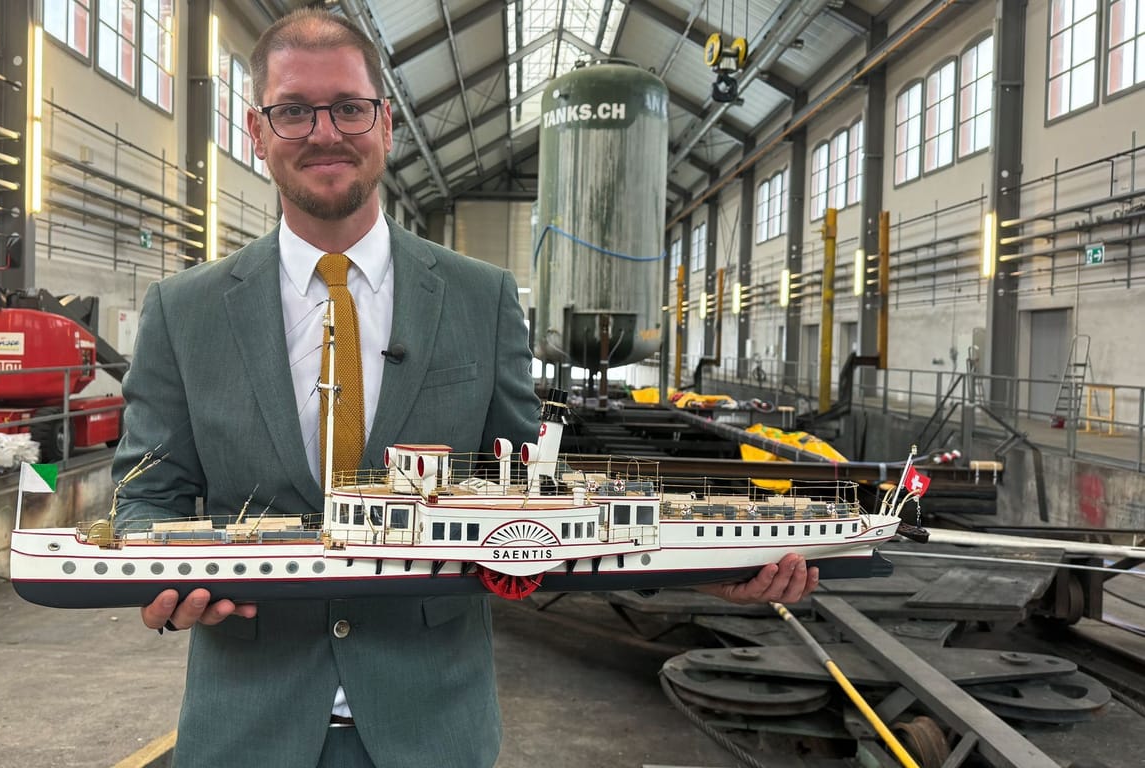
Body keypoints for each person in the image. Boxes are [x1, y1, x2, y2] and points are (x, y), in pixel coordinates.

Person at [112, 9, 817, 768]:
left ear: (387, 125)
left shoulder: (482, 301)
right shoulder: (183, 312)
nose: (324, 132)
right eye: (293, 110)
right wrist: (158, 577)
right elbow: (146, 493)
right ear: (256, 130)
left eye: (349, 107)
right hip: (247, 729)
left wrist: (707, 569)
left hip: (431, 730)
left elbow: (533, 497)